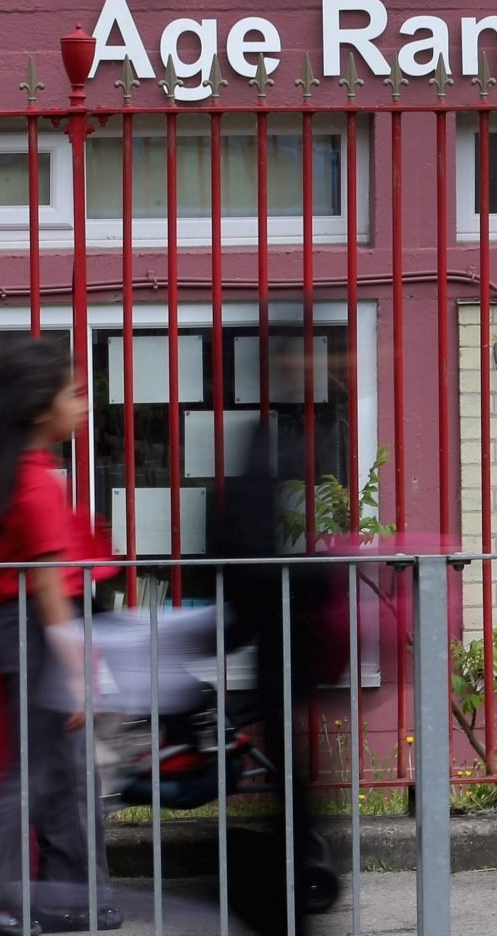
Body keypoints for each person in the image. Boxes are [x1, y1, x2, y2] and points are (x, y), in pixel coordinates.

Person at [0, 339, 119, 934]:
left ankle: (75, 899)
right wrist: (78, 668)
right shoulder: (39, 484)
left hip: (11, 628)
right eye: (73, 393)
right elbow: (46, 584)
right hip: (38, 631)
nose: (83, 404)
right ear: (41, 409)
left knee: (56, 771)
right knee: (41, 773)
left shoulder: (5, 474)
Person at [204, 334, 349, 936]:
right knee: (293, 775)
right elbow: (244, 546)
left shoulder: (293, 432)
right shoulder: (270, 439)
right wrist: (316, 575)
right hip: (278, 631)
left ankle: (287, 891)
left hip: (281, 631)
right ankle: (283, 900)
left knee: (296, 775)